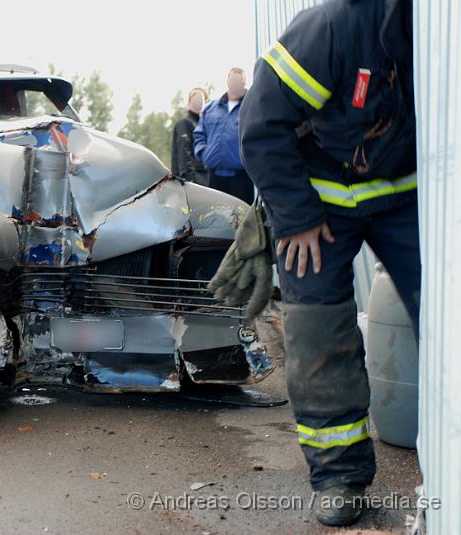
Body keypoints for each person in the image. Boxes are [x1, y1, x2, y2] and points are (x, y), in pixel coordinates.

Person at [239, 0, 417, 526]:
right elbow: (261, 123)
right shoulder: (334, 28)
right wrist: (294, 216)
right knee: (318, 330)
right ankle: (340, 476)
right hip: (319, 201)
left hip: (405, 198)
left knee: (447, 317)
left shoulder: (436, 32)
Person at [193, 68, 254, 204]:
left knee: (242, 218)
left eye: (241, 82)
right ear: (228, 81)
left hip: (242, 177)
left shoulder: (252, 107)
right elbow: (199, 134)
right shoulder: (211, 108)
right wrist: (203, 153)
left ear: (245, 83)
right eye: (234, 80)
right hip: (215, 175)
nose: (237, 84)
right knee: (215, 215)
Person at [171, 88, 209, 186]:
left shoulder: (204, 126)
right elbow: (184, 154)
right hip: (193, 180)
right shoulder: (185, 123)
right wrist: (190, 181)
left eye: (201, 99)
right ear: (189, 102)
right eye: (196, 98)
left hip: (205, 178)